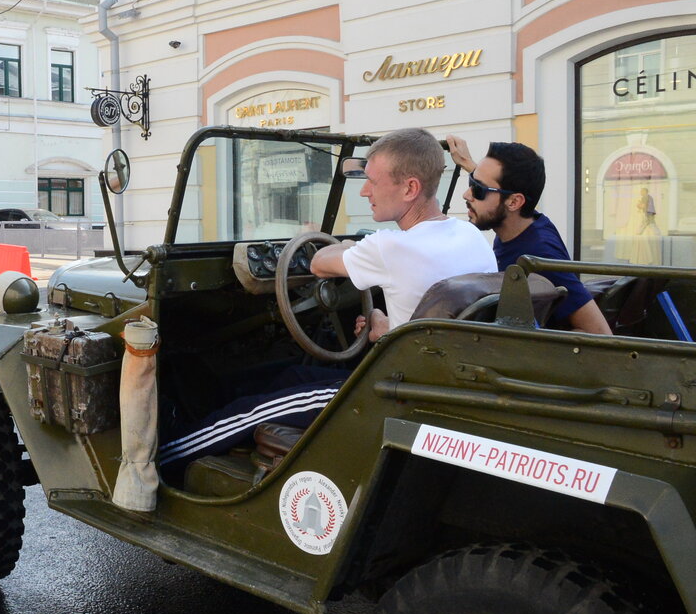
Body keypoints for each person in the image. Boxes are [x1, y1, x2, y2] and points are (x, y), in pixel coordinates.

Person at [158, 128, 495, 476]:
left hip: (393, 394)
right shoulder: (469, 235)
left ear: (410, 188)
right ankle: (193, 417)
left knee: (252, 411)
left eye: (373, 182)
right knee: (291, 374)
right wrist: (388, 325)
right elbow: (442, 317)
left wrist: (336, 245)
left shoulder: (391, 246)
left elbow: (319, 262)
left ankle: (165, 459)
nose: (364, 191)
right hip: (439, 378)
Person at [446, 136, 612, 335]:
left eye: (478, 190)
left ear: (515, 202)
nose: (467, 194)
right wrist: (469, 166)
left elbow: (600, 332)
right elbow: (497, 190)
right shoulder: (523, 223)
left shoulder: (540, 254)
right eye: (471, 182)